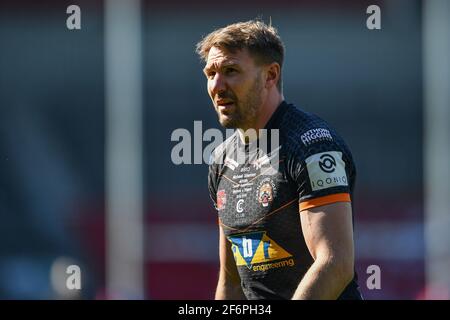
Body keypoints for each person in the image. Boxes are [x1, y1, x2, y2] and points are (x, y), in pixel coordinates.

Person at [196, 19, 363, 300]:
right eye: (210, 73)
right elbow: (231, 280)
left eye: (230, 71)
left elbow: (335, 264)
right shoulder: (222, 160)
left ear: (270, 76)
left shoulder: (312, 145)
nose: (217, 85)